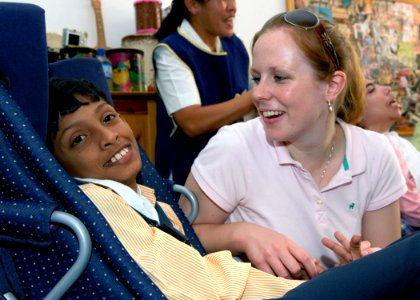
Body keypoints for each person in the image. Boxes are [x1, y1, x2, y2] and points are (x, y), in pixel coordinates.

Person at [46, 76, 420, 299]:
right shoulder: (98, 203)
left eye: (109, 118)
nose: (109, 137)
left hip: (274, 289)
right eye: (79, 139)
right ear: (57, 165)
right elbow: (193, 288)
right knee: (408, 257)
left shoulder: (144, 199)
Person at [180, 9, 406, 279]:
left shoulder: (376, 155)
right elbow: (178, 238)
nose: (259, 93)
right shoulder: (234, 147)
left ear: (332, 86)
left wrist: (357, 274)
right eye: (256, 78)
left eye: (279, 77)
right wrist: (241, 234)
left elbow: (391, 275)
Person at [153, 0, 255, 184]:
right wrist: (255, 96)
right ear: (193, 5)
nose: (233, 7)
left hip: (233, 168)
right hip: (187, 175)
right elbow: (192, 122)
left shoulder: (236, 46)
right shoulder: (170, 51)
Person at [358, 80, 420, 233]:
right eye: (371, 90)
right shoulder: (381, 147)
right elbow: (412, 207)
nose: (387, 88)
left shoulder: (393, 141)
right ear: (356, 113)